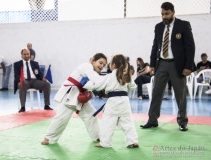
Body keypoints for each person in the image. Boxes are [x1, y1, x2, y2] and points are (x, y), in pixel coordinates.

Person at [140, 2, 195, 131]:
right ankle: (152, 120)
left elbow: (190, 47)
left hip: (178, 65)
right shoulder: (159, 27)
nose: (164, 16)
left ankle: (182, 122)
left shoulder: (183, 25)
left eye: (167, 14)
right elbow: (155, 46)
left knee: (180, 95)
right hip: (162, 64)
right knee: (156, 93)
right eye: (162, 14)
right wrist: (152, 64)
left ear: (173, 12)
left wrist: (188, 66)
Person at [41, 53, 107, 145]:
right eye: (100, 63)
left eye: (104, 65)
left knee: (91, 115)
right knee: (62, 118)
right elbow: (96, 80)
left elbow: (93, 86)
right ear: (93, 61)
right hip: (69, 95)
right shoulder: (87, 66)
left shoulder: (94, 74)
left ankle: (97, 137)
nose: (102, 66)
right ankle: (48, 138)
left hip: (79, 98)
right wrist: (109, 83)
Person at [83, 54, 138, 148]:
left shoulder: (109, 76)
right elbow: (133, 86)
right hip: (125, 102)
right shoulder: (126, 76)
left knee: (107, 123)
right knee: (128, 122)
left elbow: (97, 85)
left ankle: (105, 143)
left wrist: (85, 84)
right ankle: (132, 141)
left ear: (112, 65)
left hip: (113, 102)